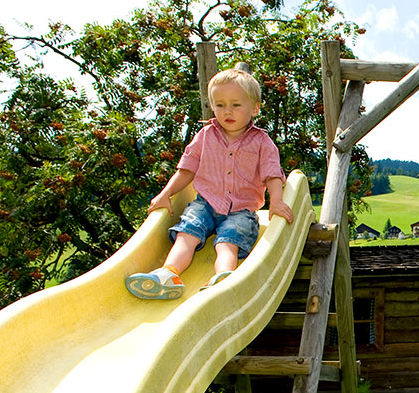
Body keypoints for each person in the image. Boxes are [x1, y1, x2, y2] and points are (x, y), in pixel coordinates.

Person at [126, 66, 294, 300]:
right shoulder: (205, 135)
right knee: (188, 231)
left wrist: (275, 201)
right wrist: (166, 193)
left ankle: (225, 276)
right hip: (205, 203)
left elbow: (272, 175)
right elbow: (186, 170)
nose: (227, 111)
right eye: (220, 105)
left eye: (236, 105)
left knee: (228, 240)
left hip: (241, 210)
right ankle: (168, 273)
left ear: (254, 108)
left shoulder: (262, 142)